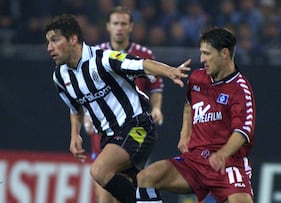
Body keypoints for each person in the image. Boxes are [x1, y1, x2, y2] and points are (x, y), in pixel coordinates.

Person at [44, 14, 190, 203]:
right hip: (110, 138)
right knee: (107, 198)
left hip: (138, 126)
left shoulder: (103, 59)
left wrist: (170, 71)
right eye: (48, 42)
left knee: (99, 171)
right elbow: (75, 107)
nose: (49, 48)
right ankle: (148, 197)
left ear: (73, 39)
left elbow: (142, 64)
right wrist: (75, 135)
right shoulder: (60, 77)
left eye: (55, 40)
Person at [136, 27, 256, 203]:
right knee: (145, 179)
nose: (202, 59)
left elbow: (243, 132)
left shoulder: (240, 90)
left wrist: (222, 154)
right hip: (195, 161)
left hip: (227, 163)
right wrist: (185, 132)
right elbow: (189, 104)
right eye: (201, 53)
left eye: (207, 54)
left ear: (224, 54)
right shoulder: (197, 78)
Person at [84, 6, 165, 203]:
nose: (119, 28)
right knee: (103, 193)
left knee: (123, 185)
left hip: (133, 126)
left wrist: (156, 108)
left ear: (131, 27)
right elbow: (86, 91)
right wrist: (86, 117)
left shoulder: (143, 53)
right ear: (108, 27)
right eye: (115, 23)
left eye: (123, 24)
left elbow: (155, 86)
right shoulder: (96, 54)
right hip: (104, 128)